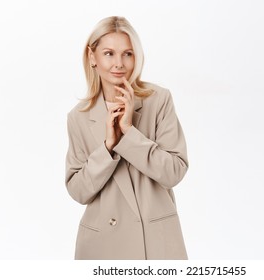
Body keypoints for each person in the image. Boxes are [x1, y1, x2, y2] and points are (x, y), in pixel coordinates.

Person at [65, 16, 189, 260]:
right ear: (92, 57)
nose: (119, 64)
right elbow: (78, 191)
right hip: (103, 246)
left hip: (154, 241)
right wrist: (108, 147)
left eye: (128, 54)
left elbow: (175, 171)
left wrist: (129, 133)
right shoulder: (78, 117)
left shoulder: (158, 100)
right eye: (109, 53)